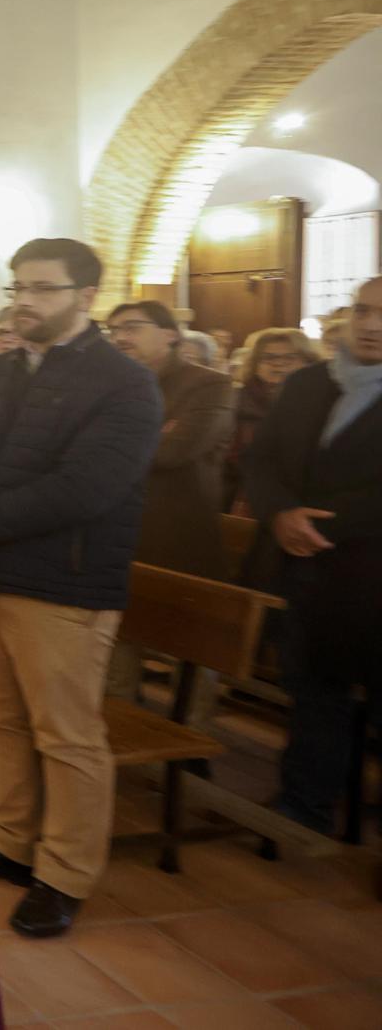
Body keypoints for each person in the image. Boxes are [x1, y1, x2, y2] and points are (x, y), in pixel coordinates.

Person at [0, 238, 163, 938]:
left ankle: (64, 872)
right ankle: (10, 837)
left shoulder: (124, 384)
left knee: (66, 734)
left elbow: (84, 489)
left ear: (85, 297)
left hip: (63, 582)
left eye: (42, 288)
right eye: (17, 287)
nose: (23, 301)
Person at [243, 277, 382, 837]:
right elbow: (261, 460)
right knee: (312, 689)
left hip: (371, 570)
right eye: (365, 311)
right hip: (308, 570)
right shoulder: (306, 384)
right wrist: (279, 513)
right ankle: (306, 800)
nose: (372, 325)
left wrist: (319, 523)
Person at [105, 301, 233, 579]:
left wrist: (105, 441)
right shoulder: (108, 385)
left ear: (170, 334)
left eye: (132, 328)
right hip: (110, 529)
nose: (119, 338)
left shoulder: (209, 384)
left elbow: (173, 452)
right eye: (113, 330)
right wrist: (155, 432)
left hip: (171, 529)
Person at [224, 327, 319, 511]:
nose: (278, 364)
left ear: (308, 362)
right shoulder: (235, 399)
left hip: (308, 497)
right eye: (269, 357)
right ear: (255, 363)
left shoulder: (321, 401)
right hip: (247, 494)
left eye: (289, 358)